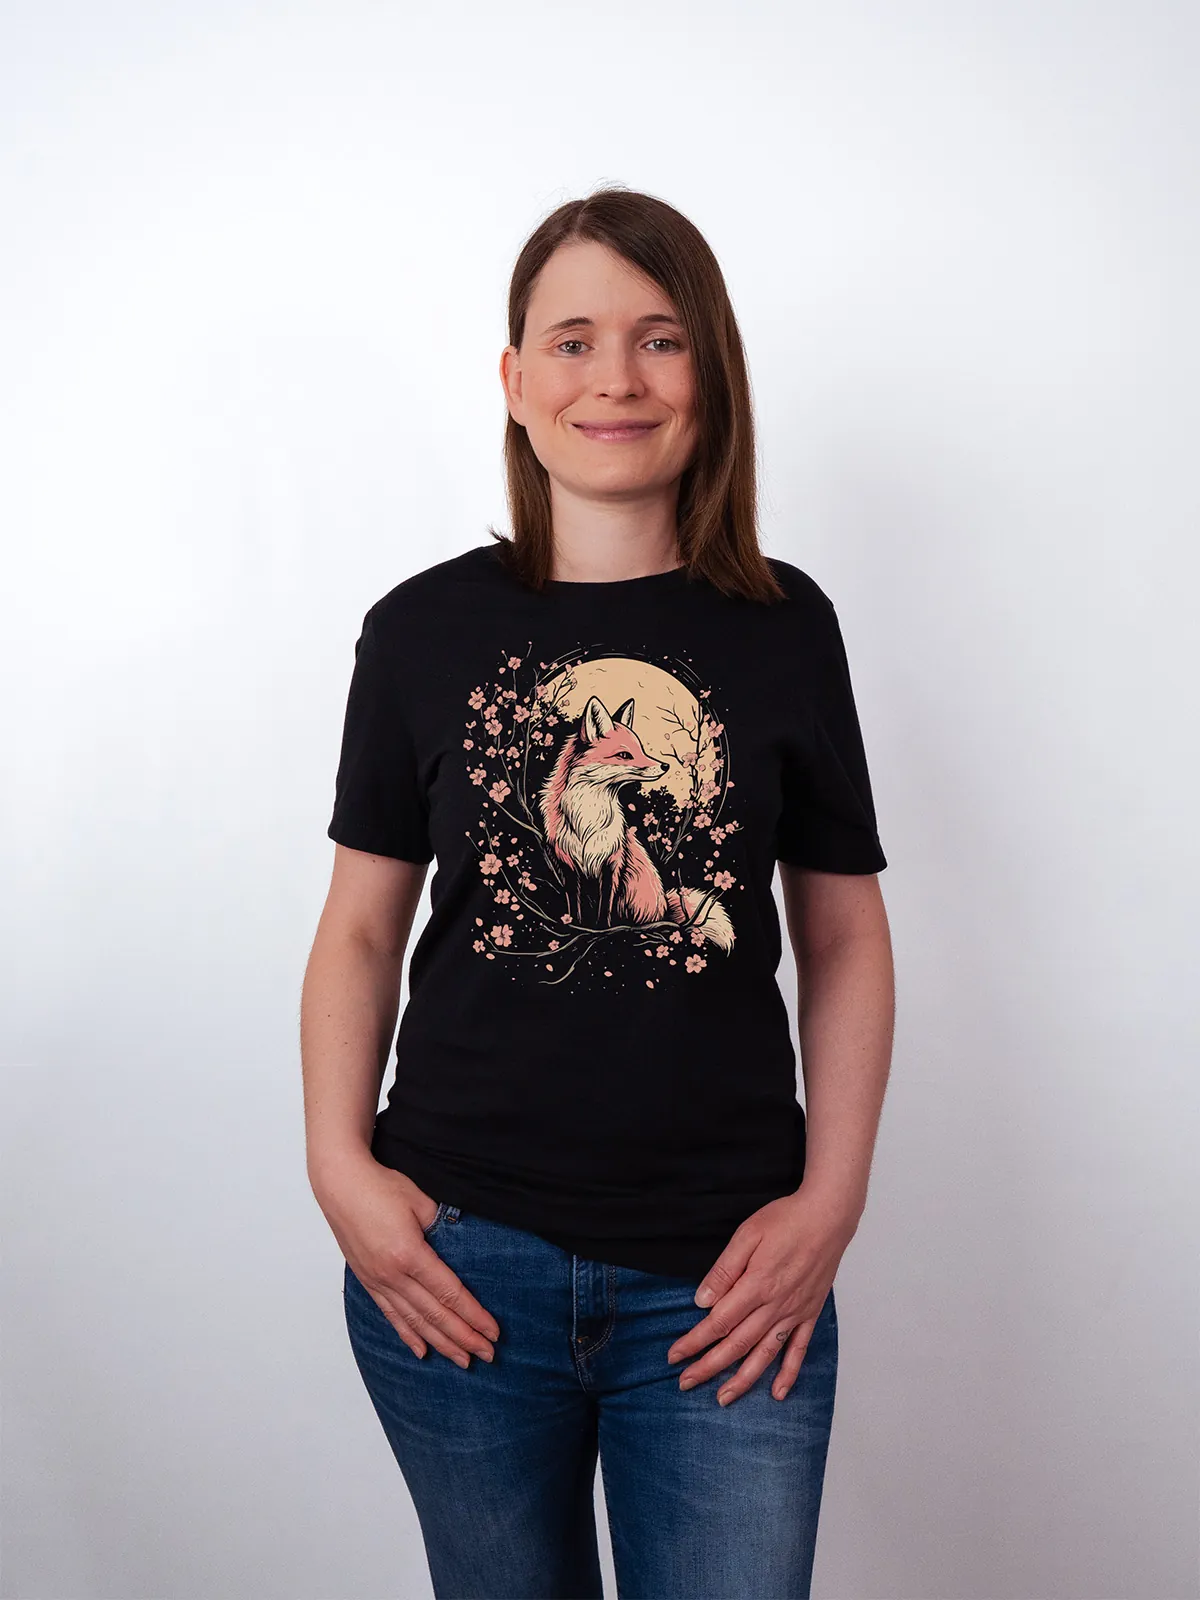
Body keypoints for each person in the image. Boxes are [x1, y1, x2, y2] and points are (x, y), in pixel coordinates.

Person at [301, 186, 895, 1600]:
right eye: (572, 341)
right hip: (457, 1258)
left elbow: (845, 936)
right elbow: (362, 928)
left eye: (660, 338)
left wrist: (832, 1200)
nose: (614, 378)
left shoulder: (785, 627)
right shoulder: (419, 630)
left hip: (726, 1276)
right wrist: (339, 1171)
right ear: (516, 382)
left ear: (712, 374)